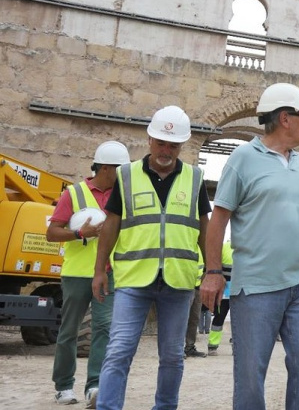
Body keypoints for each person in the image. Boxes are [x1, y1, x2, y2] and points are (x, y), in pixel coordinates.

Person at [200, 82, 299, 410]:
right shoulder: (242, 159)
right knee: (251, 371)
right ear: (285, 118)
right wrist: (213, 271)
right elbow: (218, 218)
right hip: (257, 285)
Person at [92, 106, 211, 410]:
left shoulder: (195, 178)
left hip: (179, 281)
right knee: (119, 350)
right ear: (149, 140)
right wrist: (99, 270)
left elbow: (205, 229)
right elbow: (112, 223)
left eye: (173, 145)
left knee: (172, 356)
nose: (166, 150)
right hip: (134, 279)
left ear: (181, 146)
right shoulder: (127, 175)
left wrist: (212, 270)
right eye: (161, 143)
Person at [47, 141, 130, 408]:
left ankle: (94, 385)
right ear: (106, 168)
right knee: (69, 331)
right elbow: (51, 233)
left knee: (103, 329)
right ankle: (63, 386)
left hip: (109, 273)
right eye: (120, 169)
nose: (123, 174)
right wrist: (79, 233)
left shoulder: (124, 195)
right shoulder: (73, 193)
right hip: (76, 274)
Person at [207, 241, 234, 356]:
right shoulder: (224, 247)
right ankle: (212, 346)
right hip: (224, 291)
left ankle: (237, 346)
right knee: (219, 318)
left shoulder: (247, 245)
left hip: (239, 290)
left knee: (241, 320)